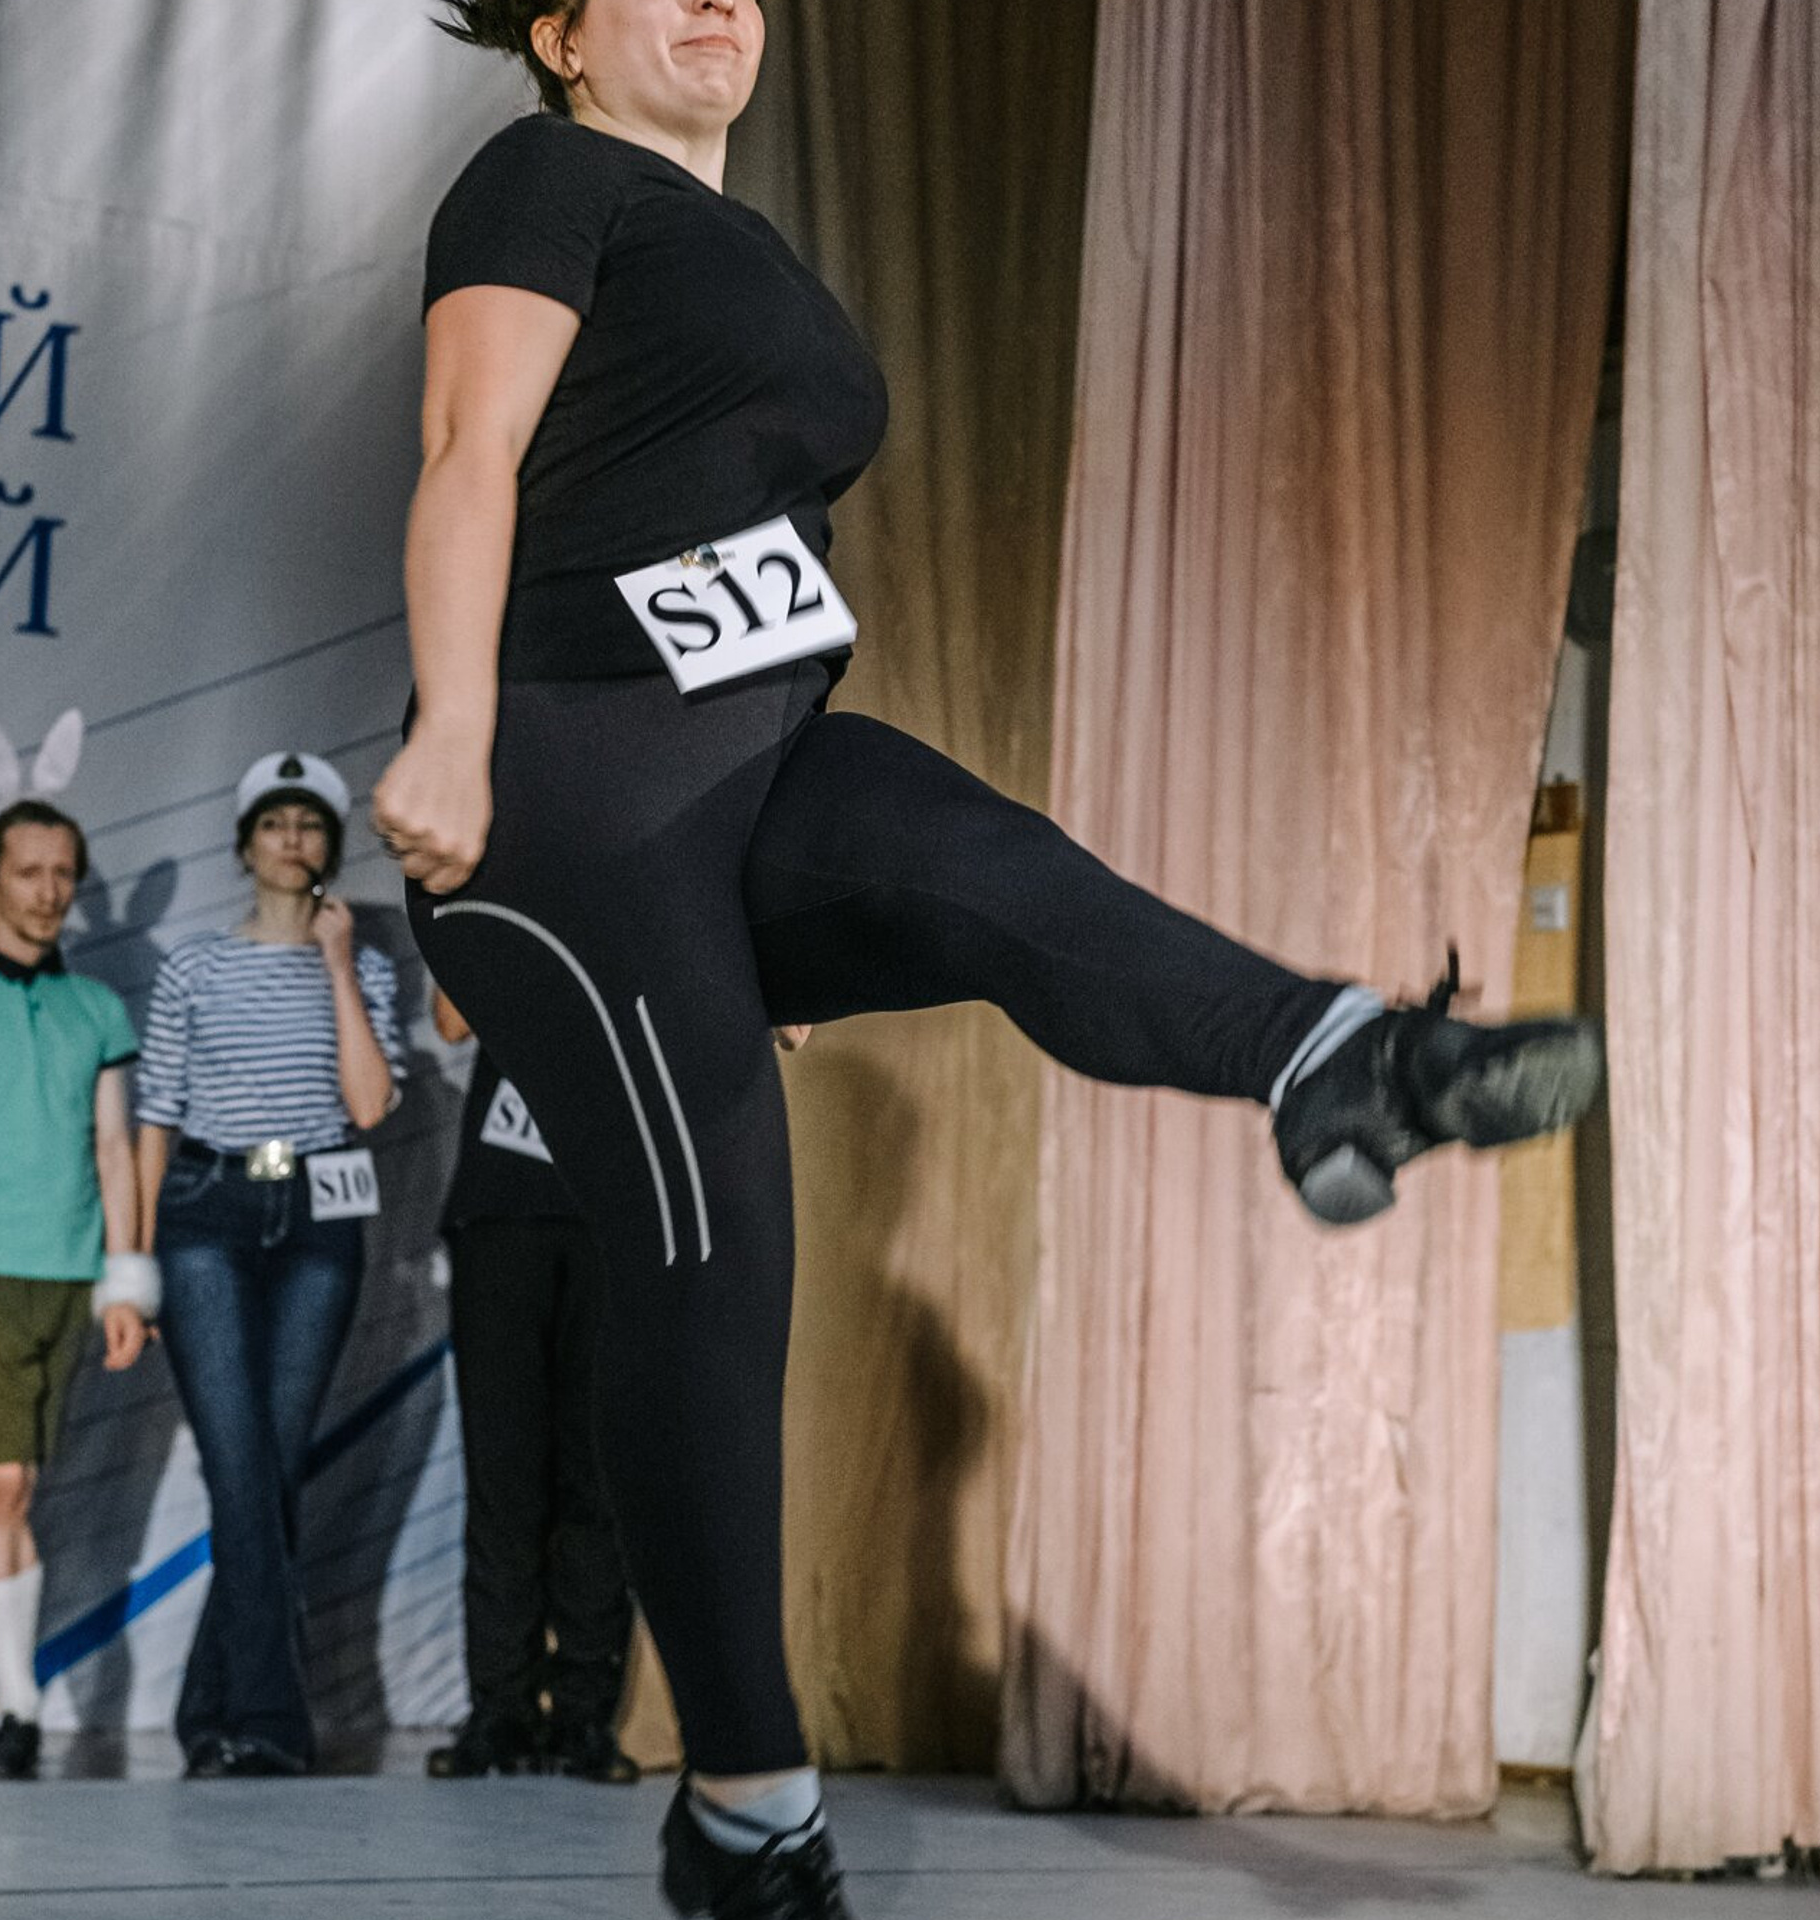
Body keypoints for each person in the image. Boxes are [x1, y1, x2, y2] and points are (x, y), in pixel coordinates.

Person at [374, 4, 1603, 1912]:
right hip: (567, 782)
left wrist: (747, 922)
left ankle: (1338, 1061)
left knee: (993, 868)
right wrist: (450, 730)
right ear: (558, 31)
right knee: (717, 1232)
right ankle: (750, 1811)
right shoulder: (547, 178)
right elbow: (472, 448)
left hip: (752, 771)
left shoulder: (746, 247)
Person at [134, 751, 405, 1779]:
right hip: (205, 1208)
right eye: (274, 824)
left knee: (269, 1470)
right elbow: (156, 1110)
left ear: (329, 847)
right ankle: (269, 1723)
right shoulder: (194, 965)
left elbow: (371, 1105)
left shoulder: (368, 966)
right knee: (238, 1466)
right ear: (245, 843)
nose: (293, 842)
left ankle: (214, 1714)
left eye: (310, 826)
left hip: (319, 1209)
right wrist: (136, 1258)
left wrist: (337, 967)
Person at [0, 799, 158, 1782]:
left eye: (64, 873)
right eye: (28, 872)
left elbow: (114, 1149)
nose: (49, 891)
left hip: (63, 1275)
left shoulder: (97, 1010)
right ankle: (15, 1713)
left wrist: (124, 1280)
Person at [426, 988, 638, 1783]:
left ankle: (585, 1716)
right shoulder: (492, 884)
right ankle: (500, 1712)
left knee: (599, 1477)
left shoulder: (643, 887)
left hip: (614, 1211)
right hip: (502, 1212)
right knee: (503, 1477)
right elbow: (452, 1016)